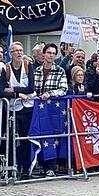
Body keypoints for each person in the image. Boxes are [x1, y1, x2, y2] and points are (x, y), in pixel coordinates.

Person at [32, 44, 67, 177]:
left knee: (51, 137)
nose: (51, 55)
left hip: (52, 108)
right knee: (39, 135)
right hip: (38, 108)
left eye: (53, 53)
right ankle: (40, 165)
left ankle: (51, 167)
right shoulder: (36, 70)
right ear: (43, 54)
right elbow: (32, 88)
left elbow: (63, 89)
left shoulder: (60, 70)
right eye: (49, 52)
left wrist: (50, 94)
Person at [3, 43, 35, 180]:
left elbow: (31, 88)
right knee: (11, 139)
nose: (19, 53)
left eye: (21, 50)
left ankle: (26, 168)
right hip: (13, 108)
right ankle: (10, 167)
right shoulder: (6, 68)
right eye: (16, 51)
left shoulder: (28, 66)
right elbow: (1, 91)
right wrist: (18, 95)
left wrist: (14, 90)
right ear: (11, 53)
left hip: (28, 108)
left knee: (25, 139)